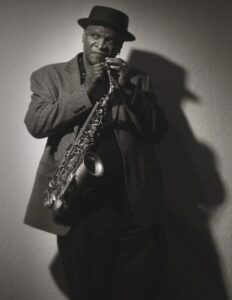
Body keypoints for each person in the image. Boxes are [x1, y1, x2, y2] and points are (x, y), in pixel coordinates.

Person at [24, 5, 168, 300]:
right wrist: (86, 91)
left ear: (120, 45)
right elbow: (36, 125)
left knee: (135, 289)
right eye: (95, 36)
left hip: (131, 203)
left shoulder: (138, 80)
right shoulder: (49, 77)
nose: (102, 45)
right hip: (79, 203)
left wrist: (130, 92)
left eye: (111, 40)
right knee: (87, 289)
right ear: (83, 36)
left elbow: (156, 131)